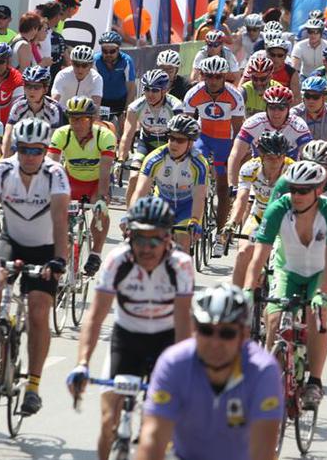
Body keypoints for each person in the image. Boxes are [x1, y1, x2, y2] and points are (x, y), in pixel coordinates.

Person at [66, 197, 194, 460]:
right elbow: (95, 317)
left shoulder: (180, 265)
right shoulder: (118, 260)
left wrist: (184, 371)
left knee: (159, 427)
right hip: (127, 339)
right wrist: (82, 364)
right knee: (108, 422)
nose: (146, 248)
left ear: (168, 239)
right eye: (139, 239)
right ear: (129, 237)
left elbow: (183, 323)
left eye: (154, 240)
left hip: (166, 342)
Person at [0, 118, 69, 416]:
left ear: (45, 150)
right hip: (11, 241)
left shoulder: (55, 174)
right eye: (23, 149)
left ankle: (33, 387)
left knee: (38, 311)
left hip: (45, 249)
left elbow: (60, 220)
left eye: (36, 150)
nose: (29, 156)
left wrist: (59, 259)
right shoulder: (2, 170)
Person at [136, 284, 282, 460]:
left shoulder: (263, 371)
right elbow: (153, 438)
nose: (215, 343)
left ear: (244, 335)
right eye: (206, 331)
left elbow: (263, 452)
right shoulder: (174, 363)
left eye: (227, 333)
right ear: (194, 329)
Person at [243, 161, 327, 409]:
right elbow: (259, 256)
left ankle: (314, 382)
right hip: (288, 268)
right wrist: (247, 290)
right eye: (293, 189)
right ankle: (271, 376)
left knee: (316, 317)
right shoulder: (278, 208)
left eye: (304, 190)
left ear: (318, 190)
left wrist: (322, 293)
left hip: (321, 271)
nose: (297, 195)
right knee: (274, 319)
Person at [48, 96, 115, 266]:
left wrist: (102, 198)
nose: (76, 124)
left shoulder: (105, 136)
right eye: (72, 119)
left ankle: (95, 254)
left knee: (100, 210)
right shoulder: (62, 133)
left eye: (82, 119)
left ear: (92, 119)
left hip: (96, 182)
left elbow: (105, 170)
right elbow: (51, 165)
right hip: (71, 180)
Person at [183, 56, 245, 232]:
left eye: (218, 76)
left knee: (223, 188)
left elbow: (238, 131)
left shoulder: (235, 96)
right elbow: (186, 127)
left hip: (225, 140)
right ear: (202, 75)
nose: (213, 80)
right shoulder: (193, 93)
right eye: (208, 76)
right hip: (203, 137)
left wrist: (234, 156)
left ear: (225, 76)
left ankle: (220, 233)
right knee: (194, 173)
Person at [129, 114, 209, 251]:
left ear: (190, 143)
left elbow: (199, 196)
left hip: (187, 206)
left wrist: (195, 220)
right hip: (162, 202)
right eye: (171, 138)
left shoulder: (199, 163)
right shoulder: (154, 158)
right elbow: (140, 191)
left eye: (180, 140)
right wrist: (131, 216)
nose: (174, 143)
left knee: (183, 242)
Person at [224, 131, 293, 285]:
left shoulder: (293, 171)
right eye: (270, 158)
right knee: (243, 252)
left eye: (280, 157)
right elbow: (241, 199)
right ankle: (237, 296)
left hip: (285, 220)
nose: (276, 162)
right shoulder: (250, 168)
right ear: (261, 156)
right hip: (259, 216)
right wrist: (231, 223)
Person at [228, 85, 311, 196]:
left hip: (287, 174)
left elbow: (308, 158)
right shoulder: (254, 123)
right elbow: (235, 155)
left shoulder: (299, 126)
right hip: (259, 172)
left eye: (281, 108)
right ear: (266, 107)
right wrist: (232, 185)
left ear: (288, 108)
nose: (276, 112)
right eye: (272, 107)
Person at [116, 69, 183, 200]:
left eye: (155, 90)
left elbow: (181, 136)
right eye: (147, 89)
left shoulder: (176, 107)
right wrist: (120, 160)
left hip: (168, 144)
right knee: (134, 177)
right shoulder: (135, 107)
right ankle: (130, 212)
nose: (150, 94)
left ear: (164, 90)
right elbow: (127, 135)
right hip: (146, 144)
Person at [291, 76, 327, 168]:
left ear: (325, 97)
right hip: (299, 159)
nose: (310, 101)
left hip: (324, 160)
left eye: (315, 97)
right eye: (307, 96)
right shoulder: (294, 115)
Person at [94, 31, 136, 128]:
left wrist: (126, 110)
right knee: (98, 126)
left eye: (112, 51)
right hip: (102, 99)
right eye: (105, 51)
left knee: (124, 126)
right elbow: (92, 85)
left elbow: (131, 88)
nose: (108, 54)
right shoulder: (96, 60)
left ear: (118, 49)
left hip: (120, 100)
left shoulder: (126, 61)